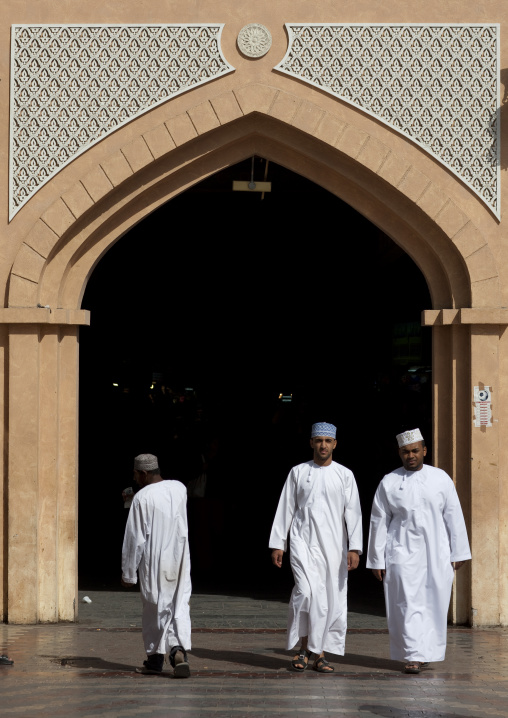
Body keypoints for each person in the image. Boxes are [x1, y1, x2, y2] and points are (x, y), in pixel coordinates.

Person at [366, 428, 471, 674]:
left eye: (415, 450)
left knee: (434, 602)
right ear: (399, 453)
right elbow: (378, 521)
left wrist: (459, 552)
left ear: (424, 450)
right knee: (406, 602)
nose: (410, 455)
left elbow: (453, 515)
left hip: (437, 552)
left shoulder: (441, 478)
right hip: (401, 552)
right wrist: (376, 559)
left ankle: (426, 653)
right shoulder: (389, 482)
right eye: (405, 452)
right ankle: (413, 655)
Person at [269, 422, 363, 673]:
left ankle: (316, 652)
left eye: (327, 441)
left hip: (333, 548)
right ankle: (304, 647)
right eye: (318, 440)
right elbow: (285, 507)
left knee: (327, 600)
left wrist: (354, 548)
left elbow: (353, 513)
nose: (323, 445)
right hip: (302, 544)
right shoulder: (298, 472)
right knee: (306, 593)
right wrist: (279, 543)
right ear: (311, 442)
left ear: (335, 444)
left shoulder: (345, 475)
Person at [121, 454, 192, 677]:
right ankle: (178, 649)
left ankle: (155, 660)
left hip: (155, 560)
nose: (134, 478)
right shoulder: (179, 488)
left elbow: (135, 539)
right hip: (179, 558)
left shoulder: (142, 498)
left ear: (143, 473)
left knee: (155, 608)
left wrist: (128, 574)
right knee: (178, 604)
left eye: (135, 474)